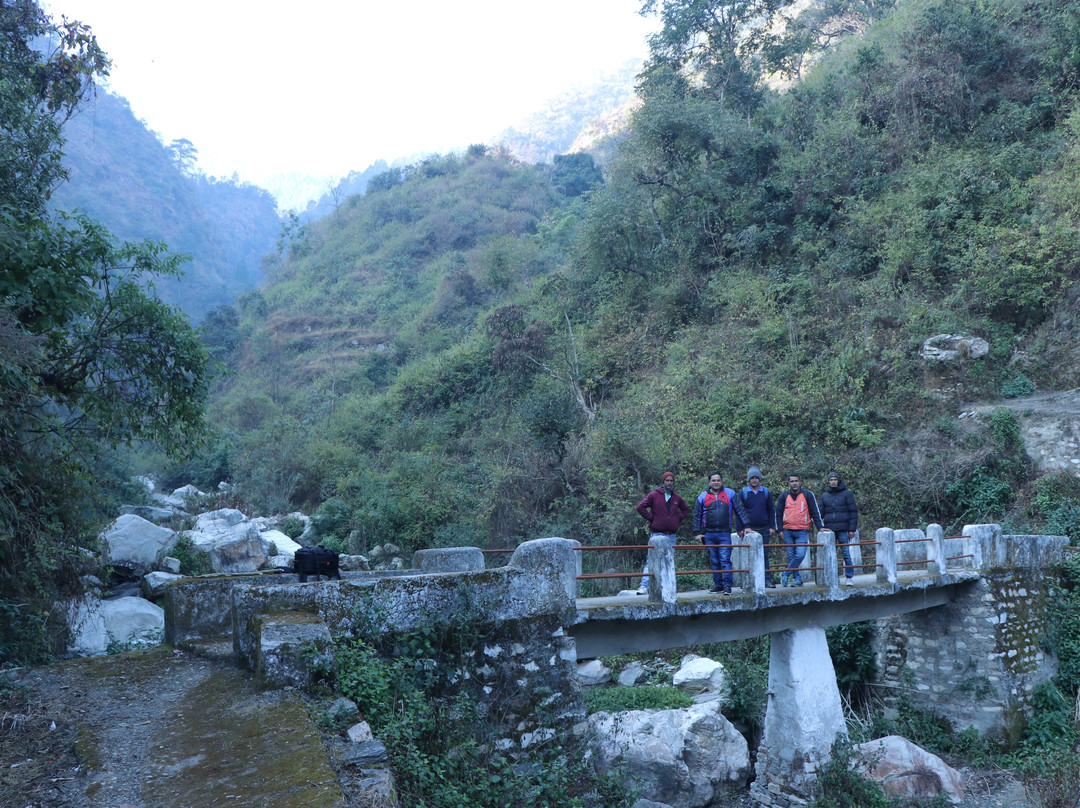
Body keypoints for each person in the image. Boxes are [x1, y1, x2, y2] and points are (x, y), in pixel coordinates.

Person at [694, 471, 750, 595]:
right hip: (709, 534)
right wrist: (697, 533)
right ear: (709, 482)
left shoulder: (730, 494)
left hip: (725, 533)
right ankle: (718, 585)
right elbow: (697, 515)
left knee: (725, 560)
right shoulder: (702, 496)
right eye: (713, 480)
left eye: (718, 480)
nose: (716, 482)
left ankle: (727, 586)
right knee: (714, 560)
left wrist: (747, 526)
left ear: (722, 481)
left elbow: (740, 510)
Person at [635, 471, 690, 594]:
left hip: (671, 534)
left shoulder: (676, 497)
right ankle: (644, 586)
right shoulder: (654, 495)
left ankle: (667, 586)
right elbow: (640, 507)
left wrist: (677, 518)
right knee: (651, 560)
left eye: (671, 481)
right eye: (667, 480)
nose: (669, 483)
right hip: (657, 533)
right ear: (663, 481)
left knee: (668, 560)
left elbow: (686, 509)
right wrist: (651, 518)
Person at [774, 473, 824, 587]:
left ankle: (786, 574)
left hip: (802, 530)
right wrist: (780, 530)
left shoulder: (807, 495)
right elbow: (778, 514)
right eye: (792, 481)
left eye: (796, 481)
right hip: (787, 531)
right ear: (789, 483)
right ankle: (797, 579)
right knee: (791, 556)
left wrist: (820, 526)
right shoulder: (784, 496)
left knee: (800, 554)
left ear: (800, 482)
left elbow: (814, 512)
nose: (794, 483)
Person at [820, 471, 860, 586]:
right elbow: (820, 512)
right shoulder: (825, 496)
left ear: (838, 481)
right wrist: (819, 525)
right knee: (830, 554)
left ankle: (849, 576)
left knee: (846, 553)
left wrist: (852, 529)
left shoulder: (847, 494)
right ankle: (833, 576)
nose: (833, 482)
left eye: (835, 480)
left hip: (843, 528)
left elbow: (853, 512)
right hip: (829, 529)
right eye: (831, 480)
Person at [740, 466, 777, 588]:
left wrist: (772, 527)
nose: (754, 480)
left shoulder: (765, 492)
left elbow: (771, 510)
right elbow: (739, 512)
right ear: (749, 480)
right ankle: (748, 580)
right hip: (749, 530)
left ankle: (766, 580)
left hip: (764, 529)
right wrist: (740, 528)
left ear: (760, 479)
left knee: (765, 555)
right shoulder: (743, 493)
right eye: (752, 478)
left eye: (757, 478)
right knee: (748, 556)